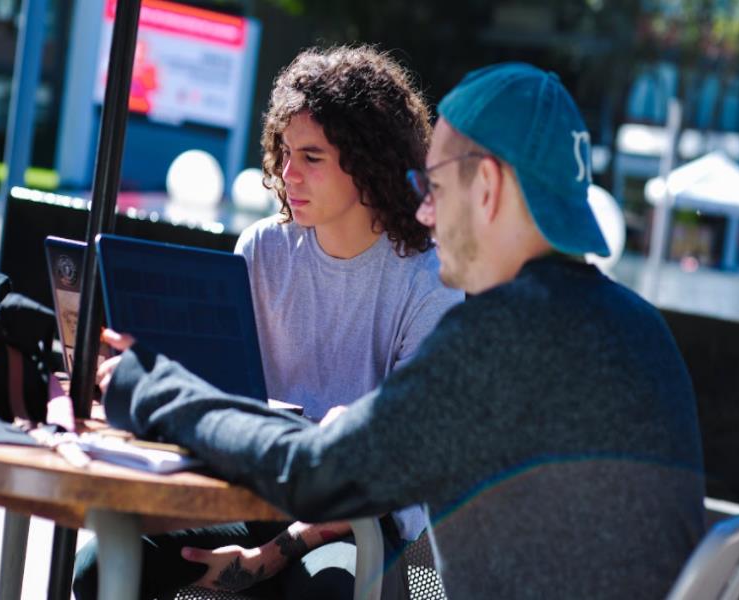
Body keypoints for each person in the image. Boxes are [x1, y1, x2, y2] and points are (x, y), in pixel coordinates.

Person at [100, 63, 706, 599]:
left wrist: (155, 390)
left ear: (488, 188)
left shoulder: (503, 336)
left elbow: (318, 474)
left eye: (435, 187)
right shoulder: (637, 327)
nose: (423, 211)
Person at [73, 46, 462, 600]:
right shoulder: (262, 249)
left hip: (366, 527)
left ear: (368, 161)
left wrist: (266, 559)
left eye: (311, 156)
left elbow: (390, 469)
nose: (286, 173)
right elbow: (226, 399)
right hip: (257, 496)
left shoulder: (430, 279)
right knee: (100, 567)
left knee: (316, 590)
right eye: (282, 152)